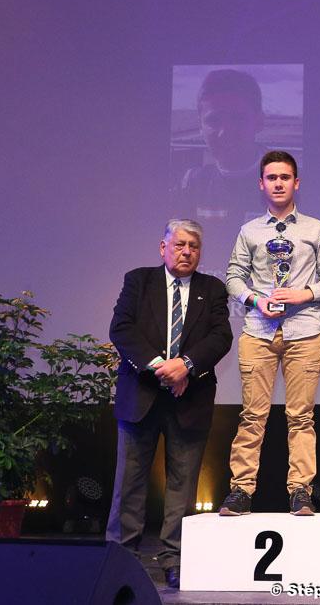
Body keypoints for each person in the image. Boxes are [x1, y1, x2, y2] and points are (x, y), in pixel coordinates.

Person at [107, 219, 233, 589]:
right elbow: (121, 329)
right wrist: (162, 367)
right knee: (128, 484)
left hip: (189, 400)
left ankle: (174, 558)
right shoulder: (138, 281)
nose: (186, 252)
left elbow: (221, 337)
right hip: (140, 396)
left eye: (193, 246)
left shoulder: (212, 289)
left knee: (183, 487)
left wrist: (186, 366)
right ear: (163, 248)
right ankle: (121, 558)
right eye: (179, 245)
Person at [218, 150, 320, 517]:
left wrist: (303, 294)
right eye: (272, 177)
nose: (278, 183)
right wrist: (256, 300)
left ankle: (300, 490)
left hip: (304, 333)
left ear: (296, 183)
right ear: (261, 184)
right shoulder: (249, 231)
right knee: (252, 415)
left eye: (285, 177)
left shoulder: (316, 228)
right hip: (259, 331)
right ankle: (241, 490)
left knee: (301, 416)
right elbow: (233, 277)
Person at [178, 69, 269, 235]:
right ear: (200, 126)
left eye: (238, 118)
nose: (225, 132)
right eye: (213, 120)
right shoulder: (193, 185)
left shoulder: (295, 186)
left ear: (259, 121)